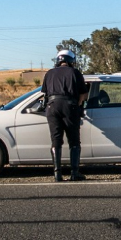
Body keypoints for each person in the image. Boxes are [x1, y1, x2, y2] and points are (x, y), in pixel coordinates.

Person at [41, 49, 88, 182]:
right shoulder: (75, 73)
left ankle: (57, 174)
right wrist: (78, 104)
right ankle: (74, 173)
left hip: (52, 107)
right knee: (74, 140)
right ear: (71, 60)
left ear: (58, 60)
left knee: (56, 140)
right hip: (70, 106)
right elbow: (83, 94)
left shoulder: (49, 73)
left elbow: (44, 92)